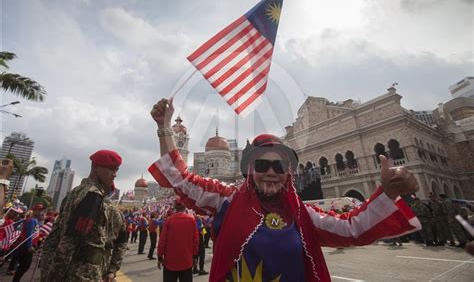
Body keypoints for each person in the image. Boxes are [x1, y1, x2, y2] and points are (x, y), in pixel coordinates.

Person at [148, 98, 421, 282]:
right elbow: (179, 178)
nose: (271, 172)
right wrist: (164, 128)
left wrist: (387, 192)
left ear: (287, 173)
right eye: (263, 164)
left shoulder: (302, 213)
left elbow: (352, 228)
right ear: (250, 169)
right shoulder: (226, 199)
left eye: (279, 166)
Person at [40, 150, 128, 282]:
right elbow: (70, 240)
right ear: (95, 167)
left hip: (87, 270)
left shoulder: (74, 193)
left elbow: (55, 236)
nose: (114, 174)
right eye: (110, 169)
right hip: (82, 273)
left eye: (116, 169)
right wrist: (54, 276)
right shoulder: (92, 196)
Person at [157, 198, 199, 282]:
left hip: (170, 262)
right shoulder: (191, 220)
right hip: (186, 260)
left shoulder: (169, 220)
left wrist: (160, 257)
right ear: (185, 207)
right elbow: (195, 241)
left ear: (174, 207)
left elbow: (162, 241)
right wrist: (195, 257)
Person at [12, 203, 45, 282]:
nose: (41, 213)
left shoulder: (36, 221)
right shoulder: (31, 220)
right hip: (25, 246)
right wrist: (30, 246)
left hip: (29, 246)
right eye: (39, 210)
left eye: (42, 211)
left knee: (25, 266)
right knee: (24, 266)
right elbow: (29, 235)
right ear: (35, 211)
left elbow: (37, 231)